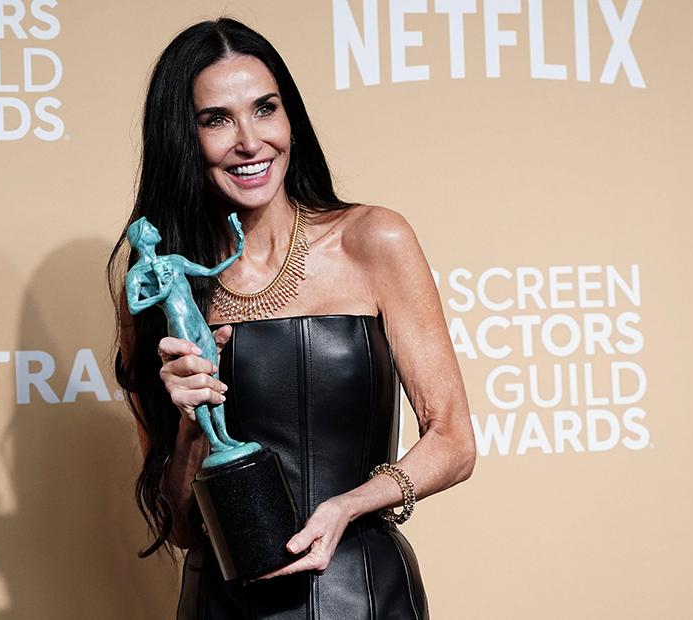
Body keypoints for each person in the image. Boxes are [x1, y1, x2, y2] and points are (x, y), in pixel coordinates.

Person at [108, 17, 476, 620]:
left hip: (360, 592)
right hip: (222, 603)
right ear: (183, 137)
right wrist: (189, 427)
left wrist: (347, 508)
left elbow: (453, 442)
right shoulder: (158, 288)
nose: (249, 141)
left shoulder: (373, 239)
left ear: (289, 120)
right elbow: (180, 527)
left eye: (264, 109)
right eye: (216, 120)